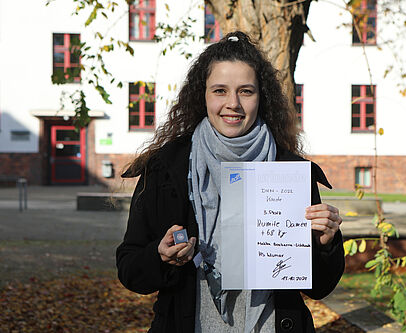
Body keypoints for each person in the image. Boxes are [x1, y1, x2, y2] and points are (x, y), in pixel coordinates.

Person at [116, 31, 345, 333]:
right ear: (204, 95)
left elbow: (319, 288)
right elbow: (130, 269)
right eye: (220, 91)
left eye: (246, 91)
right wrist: (160, 257)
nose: (233, 103)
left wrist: (325, 243)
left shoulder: (289, 171)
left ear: (261, 97)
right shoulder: (165, 168)